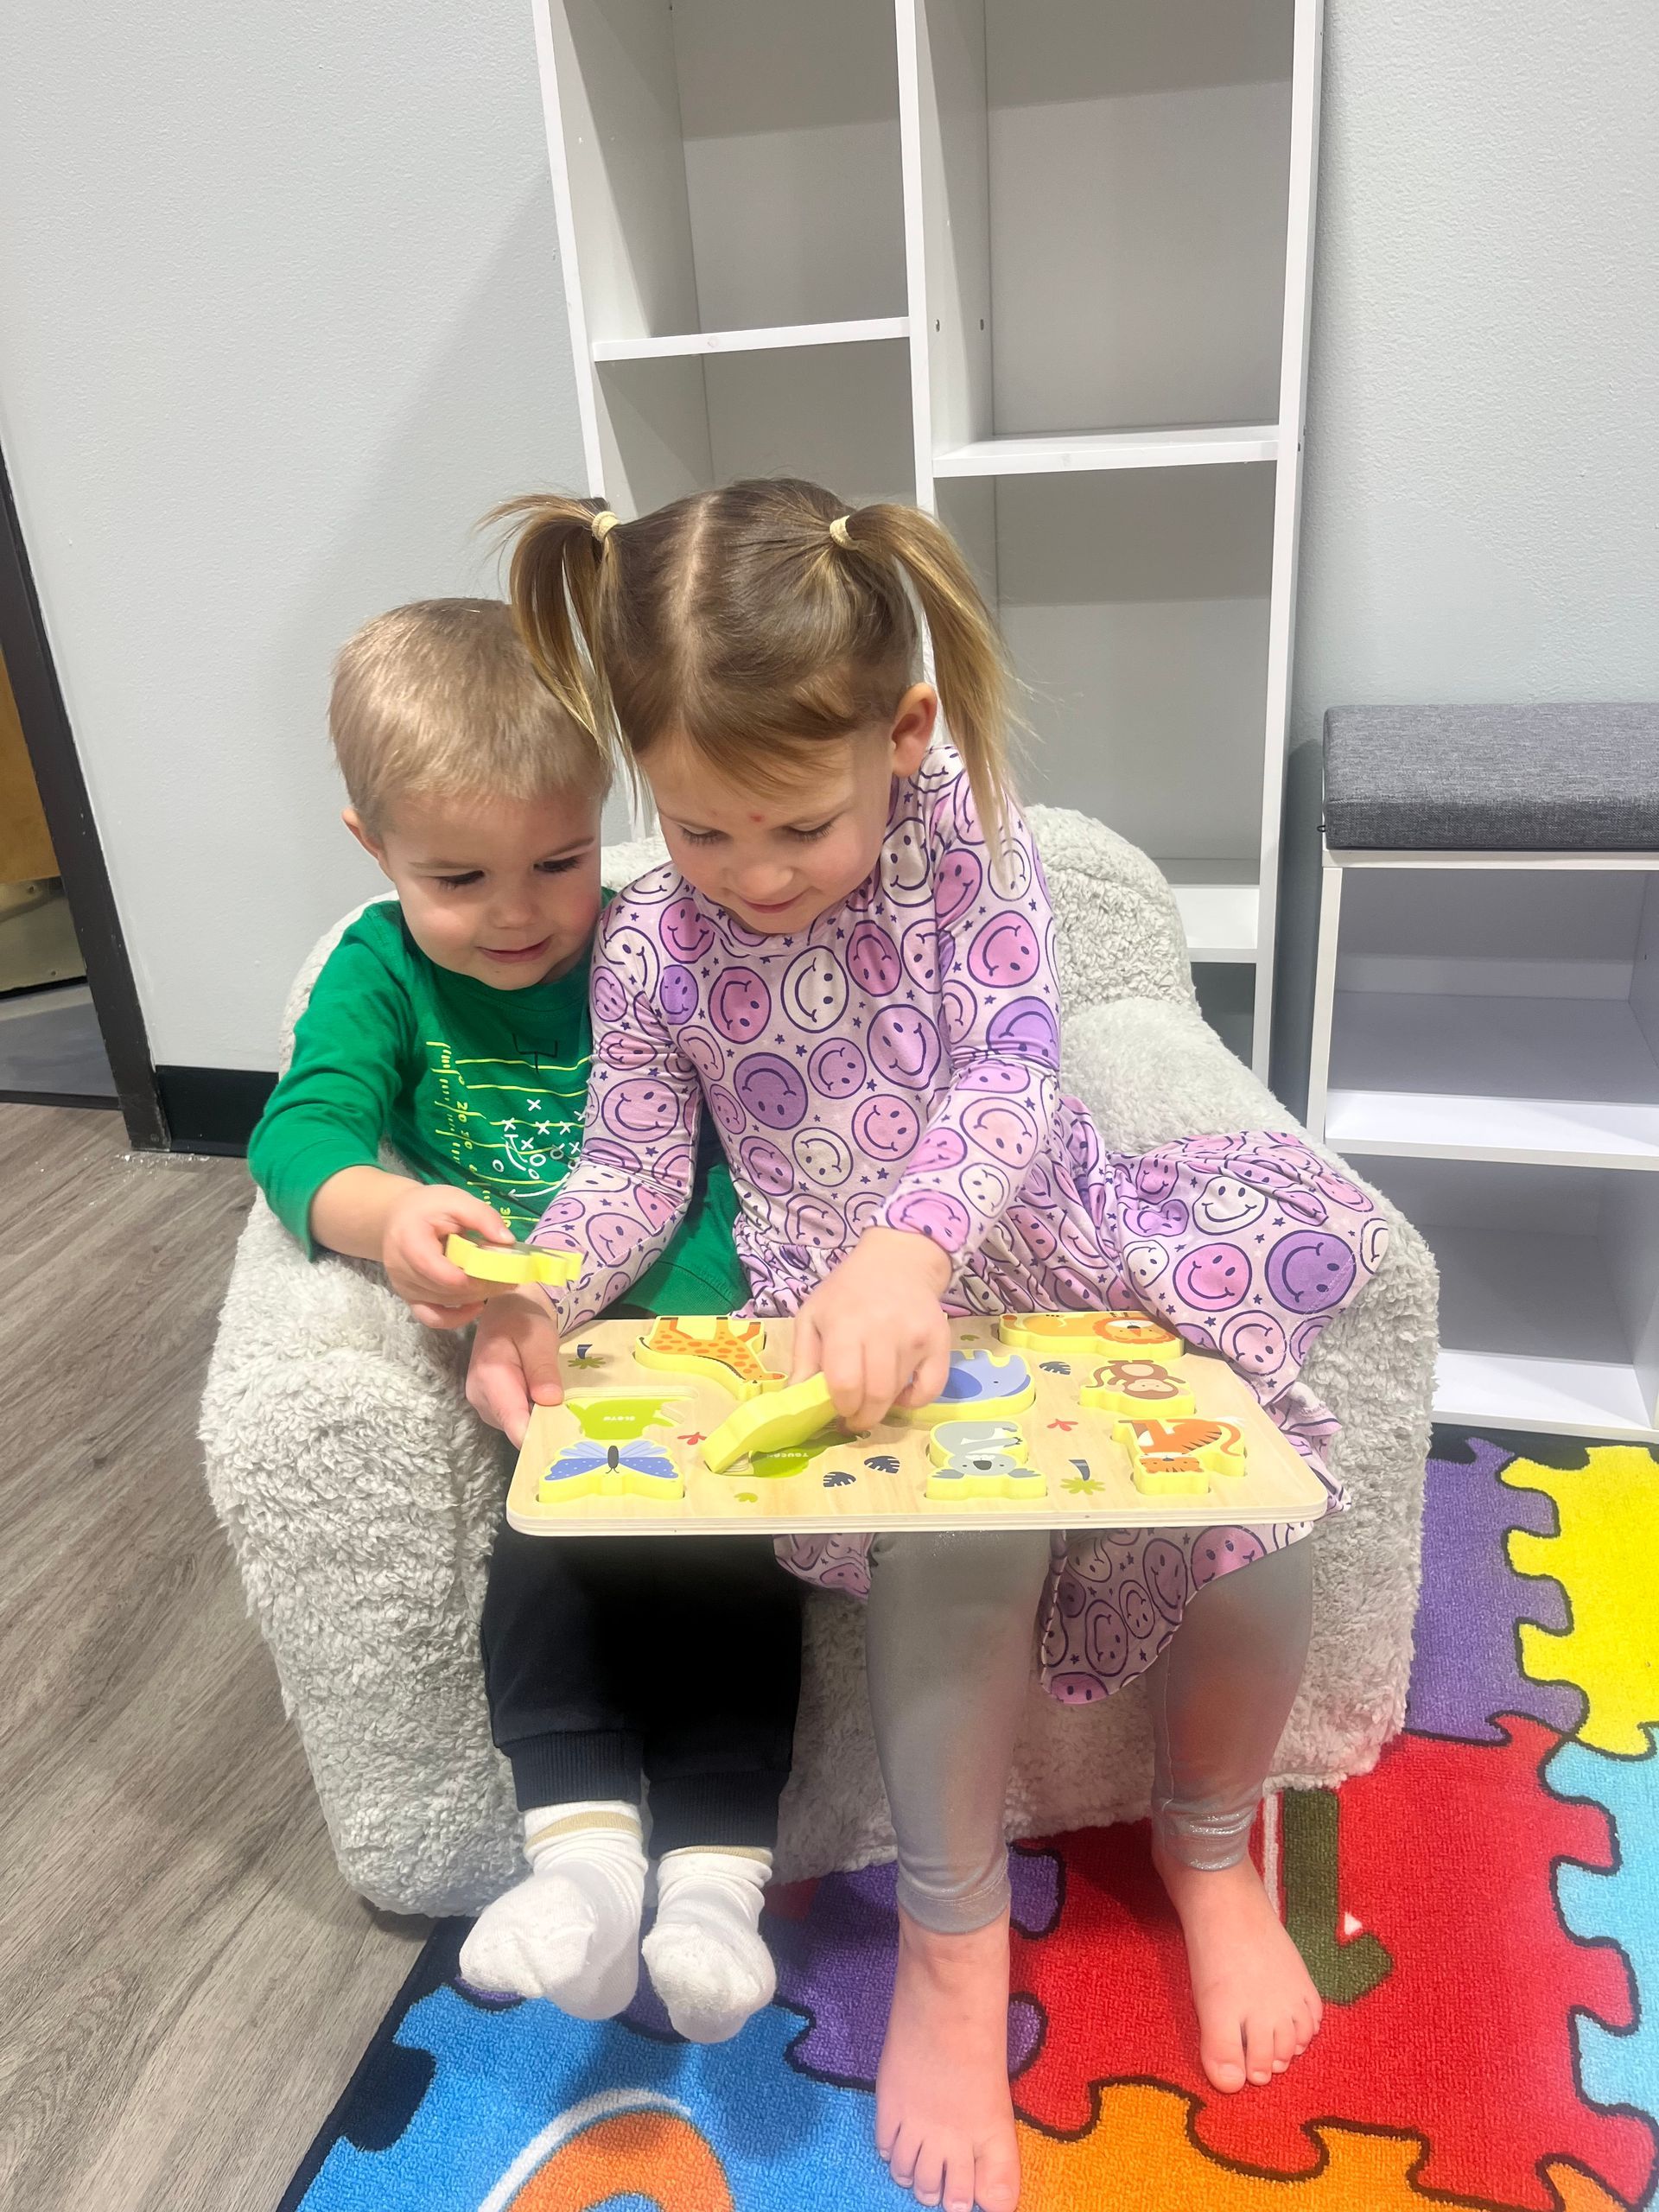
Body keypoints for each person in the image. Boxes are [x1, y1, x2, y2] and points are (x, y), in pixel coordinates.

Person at [467, 482, 1385, 2212]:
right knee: (958, 1549)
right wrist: (542, 1288)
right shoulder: (656, 933)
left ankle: (1210, 1853)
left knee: (1271, 1510)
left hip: (1051, 1246)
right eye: (699, 824)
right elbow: (633, 1159)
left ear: (902, 736)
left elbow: (1013, 1064)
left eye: (795, 824)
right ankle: (957, 1951)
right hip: (854, 1322)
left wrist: (914, 1239)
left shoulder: (969, 839)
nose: (749, 875)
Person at [247, 598, 803, 2045]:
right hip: (534, 1354)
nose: (519, 913)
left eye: (561, 861)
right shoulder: (382, 968)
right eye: (460, 876)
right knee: (548, 1551)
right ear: (373, 847)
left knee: (738, 1568)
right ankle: (584, 1868)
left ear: (605, 819)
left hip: (691, 1334)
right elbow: (303, 1132)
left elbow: (727, 1138)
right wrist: (385, 1216)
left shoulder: (650, 940)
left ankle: (716, 1891)